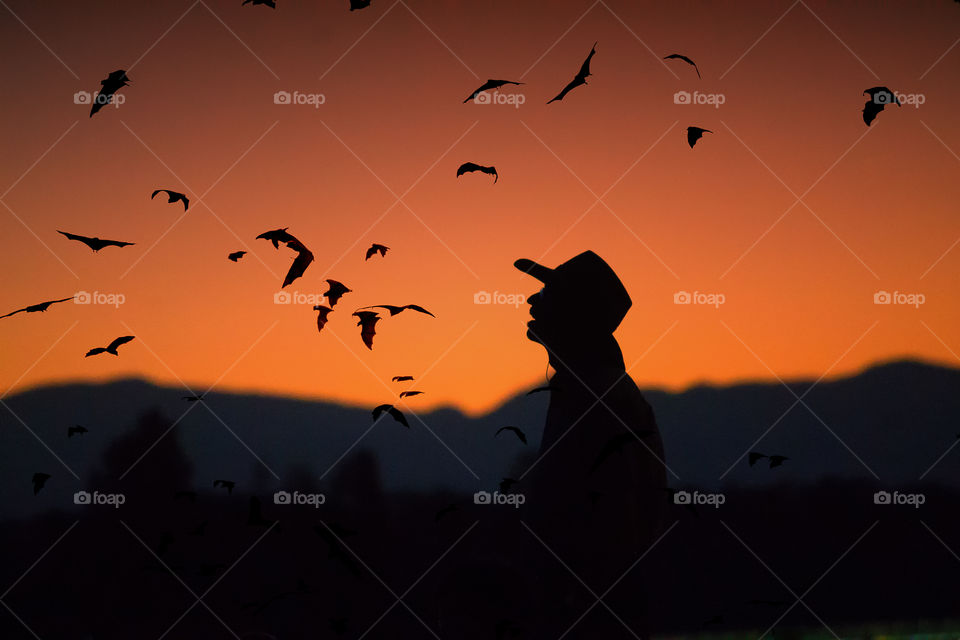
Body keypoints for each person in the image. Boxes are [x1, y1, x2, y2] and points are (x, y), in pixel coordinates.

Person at [514, 250, 667, 638]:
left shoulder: (596, 396)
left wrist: (569, 603)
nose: (532, 302)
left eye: (547, 295)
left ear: (575, 315)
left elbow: (611, 517)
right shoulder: (591, 387)